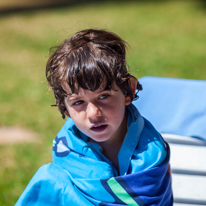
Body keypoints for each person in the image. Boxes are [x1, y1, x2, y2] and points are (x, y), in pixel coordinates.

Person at [15, 29, 173, 206]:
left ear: (128, 91)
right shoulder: (67, 150)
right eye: (78, 102)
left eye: (103, 96)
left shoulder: (152, 154)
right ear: (65, 109)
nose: (93, 113)